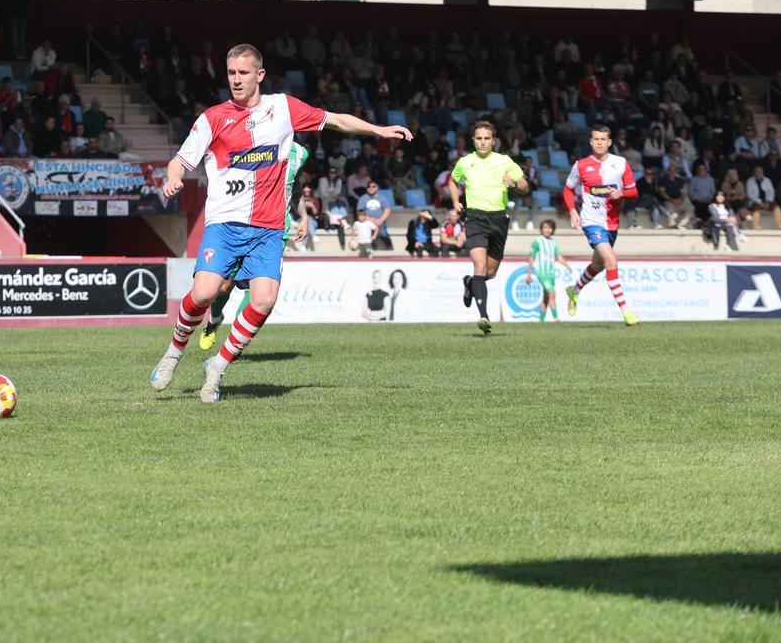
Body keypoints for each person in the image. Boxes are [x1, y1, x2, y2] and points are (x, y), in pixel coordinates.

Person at [151, 43, 410, 402]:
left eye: (243, 73)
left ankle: (218, 368)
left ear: (259, 75)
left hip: (268, 227)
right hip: (225, 223)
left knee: (263, 301)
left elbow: (335, 119)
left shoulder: (283, 108)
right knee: (205, 292)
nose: (236, 80)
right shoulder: (212, 118)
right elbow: (180, 159)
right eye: (231, 73)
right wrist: (172, 178)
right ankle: (173, 353)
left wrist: (379, 130)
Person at [198, 142, 309, 351]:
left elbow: (294, 186)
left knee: (256, 291)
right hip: (238, 225)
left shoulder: (300, 153)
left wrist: (303, 217)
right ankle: (214, 320)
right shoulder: (254, 141)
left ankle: (235, 344)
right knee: (223, 286)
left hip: (274, 231)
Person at [448, 121, 530, 335]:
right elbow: (452, 181)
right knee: (480, 267)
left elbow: (524, 185)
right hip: (475, 218)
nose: (482, 142)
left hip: (499, 219)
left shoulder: (504, 161)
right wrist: (456, 201)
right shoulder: (465, 162)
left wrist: (514, 184)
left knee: (490, 272)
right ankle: (483, 316)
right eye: (478, 138)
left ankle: (470, 283)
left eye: (486, 138)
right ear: (473, 140)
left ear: (493, 141)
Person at [563, 125, 640, 326]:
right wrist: (573, 211)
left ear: (609, 142)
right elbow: (568, 189)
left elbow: (634, 191)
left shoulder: (621, 163)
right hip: (591, 222)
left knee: (598, 265)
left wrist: (621, 193)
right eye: (595, 139)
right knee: (611, 262)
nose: (599, 142)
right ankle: (627, 312)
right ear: (591, 142)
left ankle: (575, 290)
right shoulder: (580, 165)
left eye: (603, 139)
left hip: (612, 223)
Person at [526, 219, 571, 322]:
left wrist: (567, 266)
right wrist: (528, 274)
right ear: (541, 229)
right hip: (542, 273)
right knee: (552, 293)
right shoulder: (537, 241)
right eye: (545, 227)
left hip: (551, 274)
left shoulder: (553, 242)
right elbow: (531, 258)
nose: (547, 230)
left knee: (546, 298)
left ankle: (541, 320)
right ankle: (556, 318)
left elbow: (559, 257)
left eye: (550, 228)